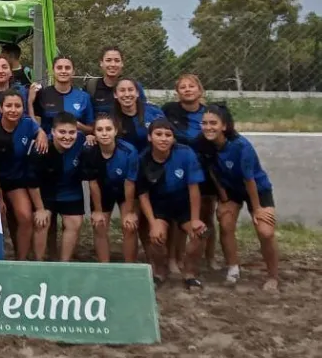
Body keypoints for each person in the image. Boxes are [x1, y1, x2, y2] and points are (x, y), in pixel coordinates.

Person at [198, 105, 280, 290]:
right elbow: (212, 171)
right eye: (204, 123)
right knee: (225, 223)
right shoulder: (203, 143)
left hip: (256, 190)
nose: (208, 127)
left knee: (265, 232)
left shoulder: (241, 146)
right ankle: (233, 268)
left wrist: (257, 209)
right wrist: (224, 198)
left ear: (224, 126)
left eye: (213, 123)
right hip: (231, 190)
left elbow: (248, 179)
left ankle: (273, 276)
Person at [136, 118, 208, 289]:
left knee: (201, 233)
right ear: (149, 137)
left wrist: (196, 219)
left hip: (184, 205)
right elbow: (143, 195)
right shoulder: (143, 159)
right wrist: (152, 223)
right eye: (158, 134)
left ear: (174, 139)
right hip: (159, 206)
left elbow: (193, 188)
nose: (163, 138)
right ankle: (160, 272)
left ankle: (190, 274)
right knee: (156, 236)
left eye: (168, 135)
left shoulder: (186, 153)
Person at [161, 73, 217, 272]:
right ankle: (174, 259)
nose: (187, 89)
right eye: (182, 87)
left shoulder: (210, 113)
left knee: (207, 214)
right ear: (177, 92)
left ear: (200, 90)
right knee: (178, 218)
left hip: (206, 168)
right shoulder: (169, 110)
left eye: (191, 86)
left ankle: (209, 257)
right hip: (177, 169)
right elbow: (161, 131)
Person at [0, 91, 47, 260]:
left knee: (26, 217)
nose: (13, 110)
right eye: (9, 106)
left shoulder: (28, 124)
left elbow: (38, 129)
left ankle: (21, 260)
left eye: (18, 106)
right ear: (1, 108)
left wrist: (41, 133)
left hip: (16, 182)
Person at [27, 113, 87, 262]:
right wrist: (40, 209)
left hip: (70, 191)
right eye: (62, 132)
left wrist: (91, 137)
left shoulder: (82, 140)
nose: (67, 137)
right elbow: (32, 183)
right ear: (53, 132)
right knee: (41, 222)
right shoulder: (41, 148)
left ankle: (64, 263)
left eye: (71, 132)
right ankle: (38, 262)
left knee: (74, 222)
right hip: (46, 193)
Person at [83, 114, 141, 263]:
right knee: (99, 225)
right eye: (100, 129)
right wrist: (97, 210)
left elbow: (130, 183)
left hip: (123, 190)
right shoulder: (89, 152)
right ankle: (105, 266)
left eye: (108, 129)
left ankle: (130, 266)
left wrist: (128, 213)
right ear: (94, 133)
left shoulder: (129, 151)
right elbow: (93, 183)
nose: (104, 133)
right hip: (103, 191)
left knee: (129, 226)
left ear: (115, 131)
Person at [30, 55, 94, 135]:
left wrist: (78, 125)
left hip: (75, 144)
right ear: (52, 71)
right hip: (48, 144)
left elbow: (91, 129)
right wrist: (30, 101)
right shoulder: (42, 94)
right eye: (59, 68)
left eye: (67, 68)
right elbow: (33, 123)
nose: (63, 71)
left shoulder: (84, 97)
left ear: (73, 72)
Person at [85, 46, 146, 114]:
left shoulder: (133, 87)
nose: (113, 64)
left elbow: (143, 113)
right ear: (101, 63)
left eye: (117, 60)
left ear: (122, 63)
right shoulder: (91, 87)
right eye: (108, 60)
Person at [112, 77, 165, 152]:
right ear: (115, 95)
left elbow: (167, 136)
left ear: (137, 93)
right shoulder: (111, 119)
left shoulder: (154, 112)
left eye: (130, 90)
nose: (127, 94)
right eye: (122, 90)